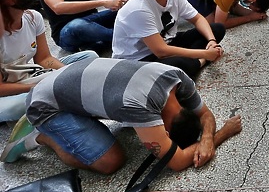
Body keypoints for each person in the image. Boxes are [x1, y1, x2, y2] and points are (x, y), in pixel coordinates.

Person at [1, 57, 242, 173]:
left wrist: (207, 138)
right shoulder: (140, 105)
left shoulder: (176, 78)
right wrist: (220, 135)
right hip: (45, 105)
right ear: (165, 131)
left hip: (68, 85)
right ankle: (40, 136)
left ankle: (59, 127)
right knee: (110, 162)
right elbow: (177, 162)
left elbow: (205, 114)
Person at [0, 0, 98, 123]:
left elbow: (44, 58)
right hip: (9, 88)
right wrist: (39, 85)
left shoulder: (33, 17)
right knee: (21, 104)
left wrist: (65, 73)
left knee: (89, 56)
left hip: (29, 74)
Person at [112, 0, 225, 79]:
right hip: (140, 59)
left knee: (217, 29)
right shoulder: (139, 9)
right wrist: (205, 54)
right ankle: (199, 62)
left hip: (166, 42)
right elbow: (161, 51)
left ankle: (195, 60)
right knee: (179, 65)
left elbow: (197, 19)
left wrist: (211, 40)